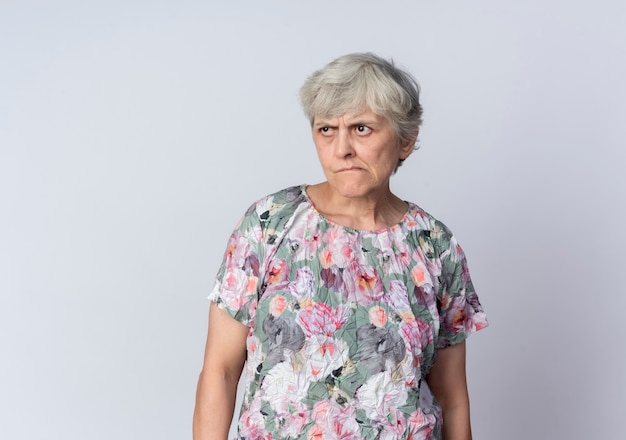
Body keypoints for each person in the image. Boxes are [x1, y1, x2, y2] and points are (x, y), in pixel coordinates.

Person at [193, 52, 488, 440]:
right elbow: (221, 370)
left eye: (362, 129)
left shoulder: (434, 245)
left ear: (406, 140)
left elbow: (452, 398)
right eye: (326, 129)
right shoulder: (269, 224)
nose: (342, 148)